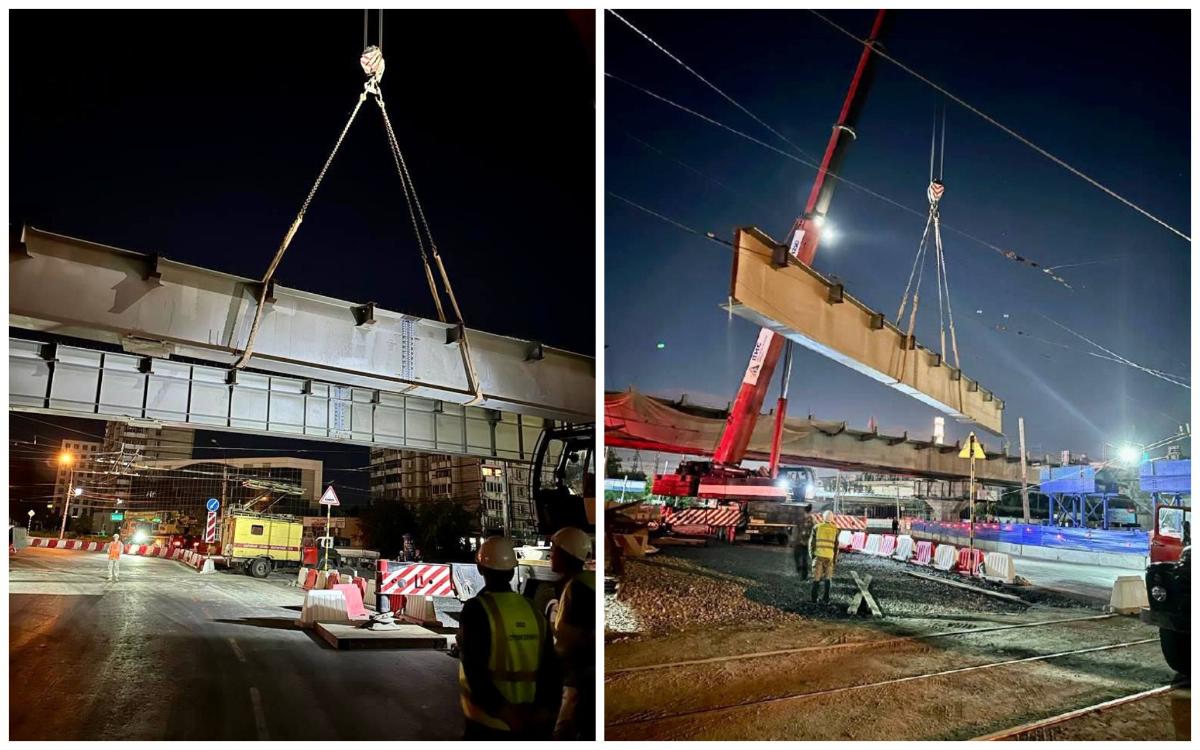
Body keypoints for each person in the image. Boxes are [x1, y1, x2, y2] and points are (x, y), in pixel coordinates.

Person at [456, 536, 558, 740]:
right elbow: (551, 667)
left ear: (480, 569)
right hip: (531, 722)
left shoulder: (477, 609)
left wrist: (506, 712)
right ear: (513, 571)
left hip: (488, 722)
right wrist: (543, 711)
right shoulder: (533, 609)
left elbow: (475, 670)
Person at [547, 527, 595, 740]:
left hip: (577, 678)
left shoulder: (575, 588)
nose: (550, 554)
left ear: (566, 554)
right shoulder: (587, 581)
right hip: (589, 673)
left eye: (553, 549)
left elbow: (567, 642)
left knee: (564, 732)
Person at [808, 510, 839, 604]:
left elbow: (811, 544)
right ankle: (826, 599)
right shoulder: (836, 529)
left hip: (818, 556)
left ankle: (814, 599)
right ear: (832, 518)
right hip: (829, 557)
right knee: (828, 579)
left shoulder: (817, 527)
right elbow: (836, 546)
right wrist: (834, 559)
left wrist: (812, 556)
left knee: (816, 578)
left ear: (823, 518)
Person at [790, 504, 814, 579]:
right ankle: (803, 573)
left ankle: (802, 573)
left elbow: (796, 529)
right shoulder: (811, 520)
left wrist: (793, 539)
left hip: (801, 542)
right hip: (804, 542)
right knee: (803, 558)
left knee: (800, 558)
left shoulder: (804, 519)